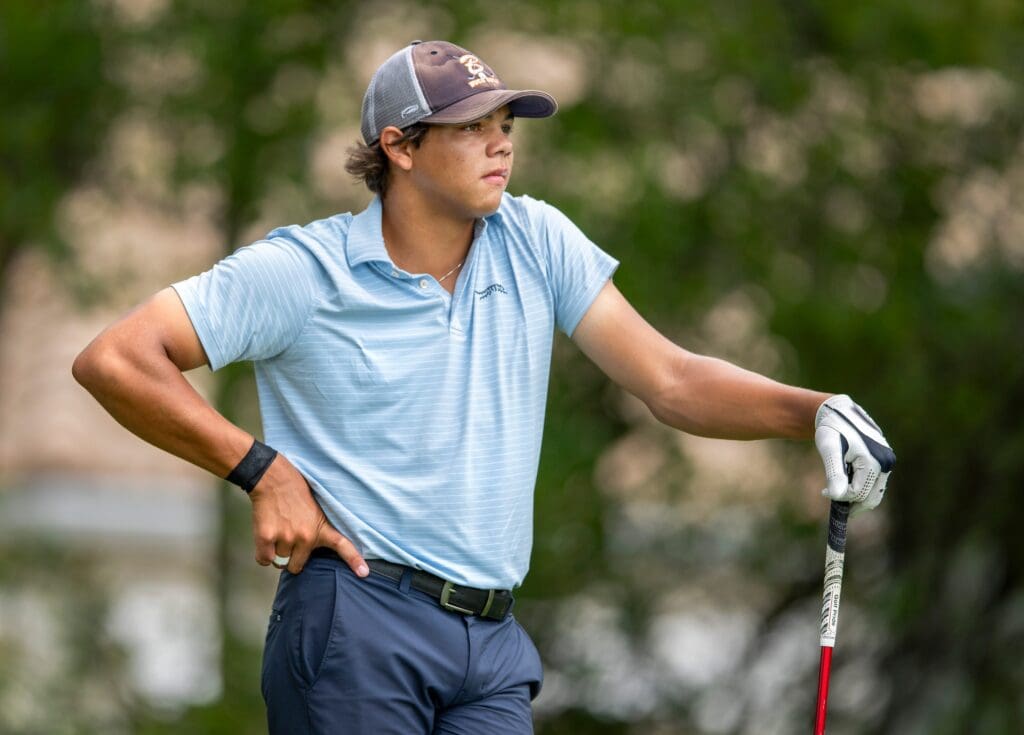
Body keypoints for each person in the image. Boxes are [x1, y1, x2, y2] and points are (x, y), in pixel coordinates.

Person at [72, 40, 895, 734]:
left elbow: (672, 379)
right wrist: (262, 469)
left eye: (506, 127)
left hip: (492, 641)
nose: (502, 144)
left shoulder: (534, 239)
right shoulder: (305, 271)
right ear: (400, 147)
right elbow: (117, 358)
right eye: (473, 130)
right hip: (358, 621)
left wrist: (810, 409)